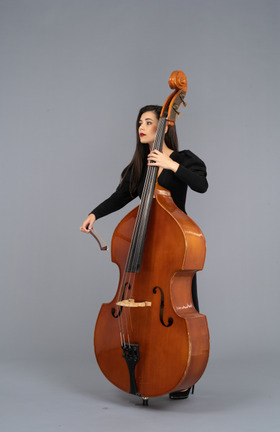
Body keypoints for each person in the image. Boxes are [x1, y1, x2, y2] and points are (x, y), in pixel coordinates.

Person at [80, 104, 208, 400]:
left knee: (181, 301)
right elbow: (120, 197)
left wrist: (171, 164)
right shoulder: (140, 166)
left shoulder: (183, 159)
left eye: (149, 122)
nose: (142, 127)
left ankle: (183, 375)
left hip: (172, 246)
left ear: (165, 126)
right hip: (142, 245)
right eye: (140, 122)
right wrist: (94, 215)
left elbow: (201, 184)